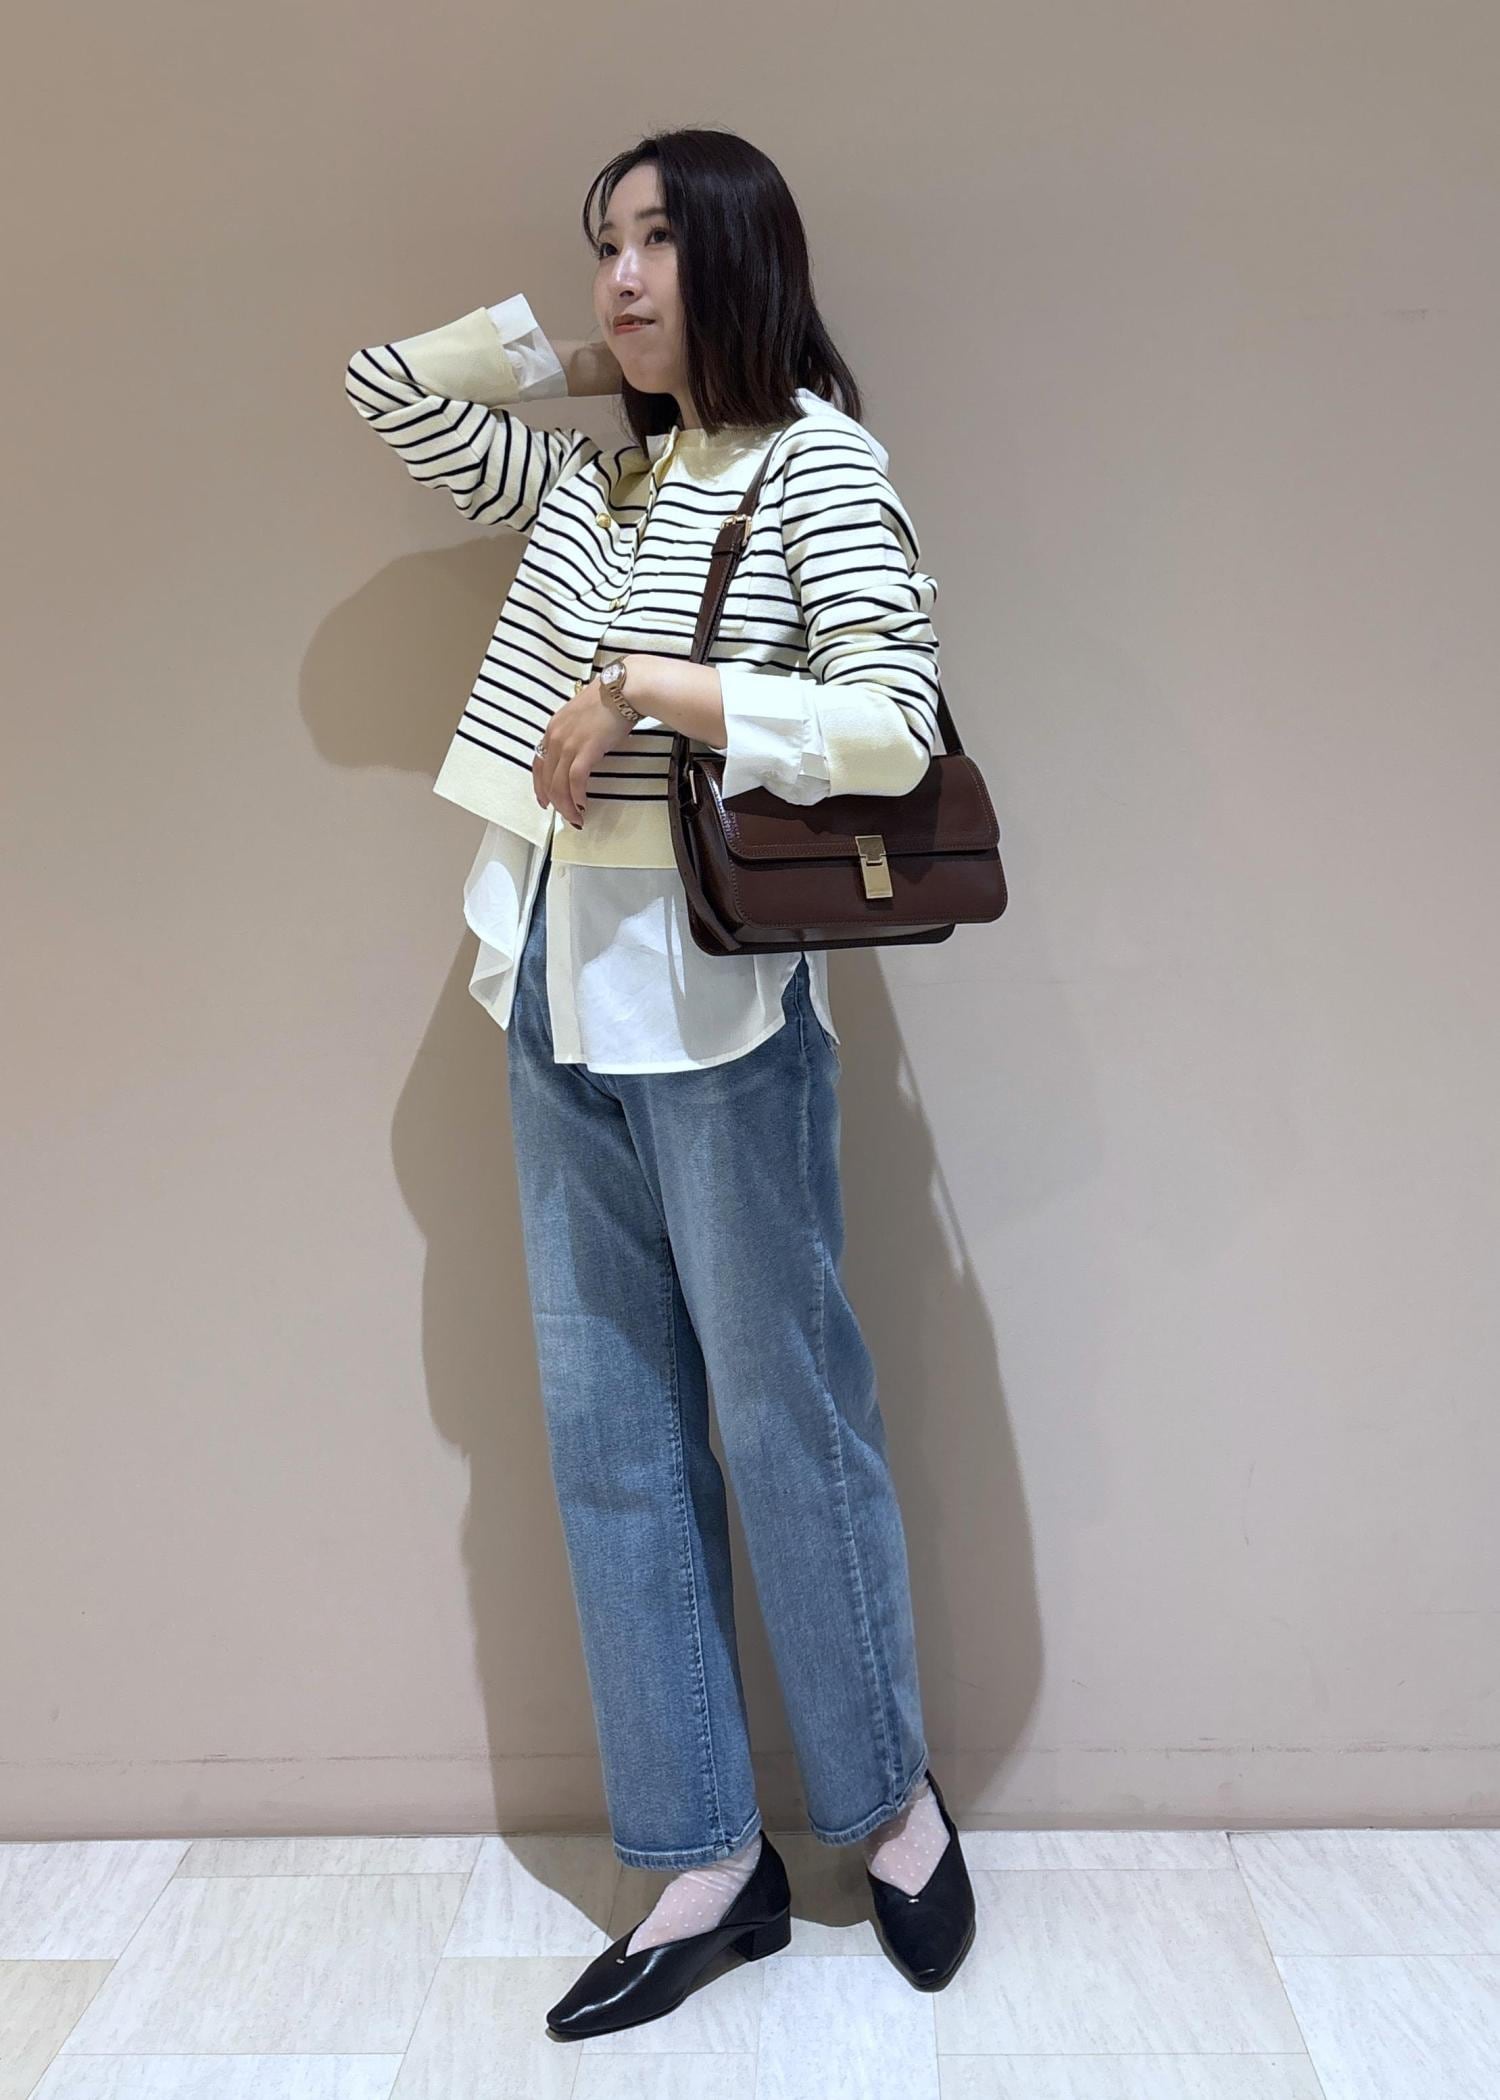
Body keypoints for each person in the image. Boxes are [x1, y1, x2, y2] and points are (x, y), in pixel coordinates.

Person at [344, 124, 975, 2040]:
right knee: (609, 1433)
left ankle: (888, 1805)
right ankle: (706, 1859)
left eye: (659, 244)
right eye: (602, 244)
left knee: (789, 1416)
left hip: (716, 1007)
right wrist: (580, 344)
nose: (621, 274)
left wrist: (643, 685)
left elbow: (891, 723)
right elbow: (389, 389)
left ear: (743, 256)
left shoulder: (814, 464)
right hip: (549, 977)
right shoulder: (601, 471)